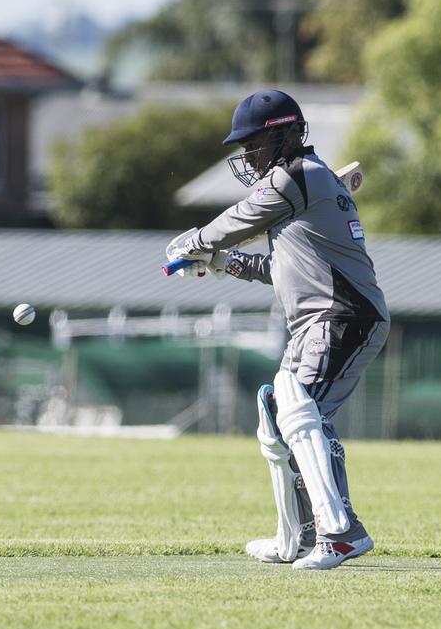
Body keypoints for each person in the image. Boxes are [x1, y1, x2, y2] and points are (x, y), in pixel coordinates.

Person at [165, 89, 389, 570]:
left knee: (297, 402)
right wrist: (222, 262)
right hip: (321, 318)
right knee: (275, 410)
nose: (247, 157)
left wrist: (197, 241)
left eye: (253, 145)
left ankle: (342, 531)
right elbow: (284, 269)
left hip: (344, 315)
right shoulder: (307, 186)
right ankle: (297, 540)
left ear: (286, 135)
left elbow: (241, 218)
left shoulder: (297, 178)